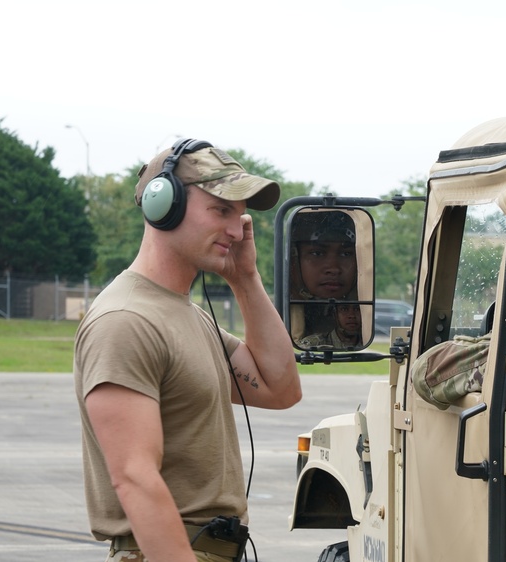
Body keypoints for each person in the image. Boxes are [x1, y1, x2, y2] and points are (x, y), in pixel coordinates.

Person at [73, 139, 301, 562]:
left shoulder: (190, 317)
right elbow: (134, 477)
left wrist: (245, 278)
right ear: (165, 206)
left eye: (240, 214)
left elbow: (280, 389)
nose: (237, 231)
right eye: (220, 210)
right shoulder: (126, 321)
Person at [288, 211, 358, 343]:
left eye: (346, 254)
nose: (334, 269)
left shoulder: (363, 320)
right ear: (295, 261)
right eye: (317, 253)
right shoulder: (275, 317)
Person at [298, 303, 363, 350]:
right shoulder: (313, 343)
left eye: (357, 309)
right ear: (334, 315)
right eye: (344, 309)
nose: (352, 315)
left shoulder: (367, 344)